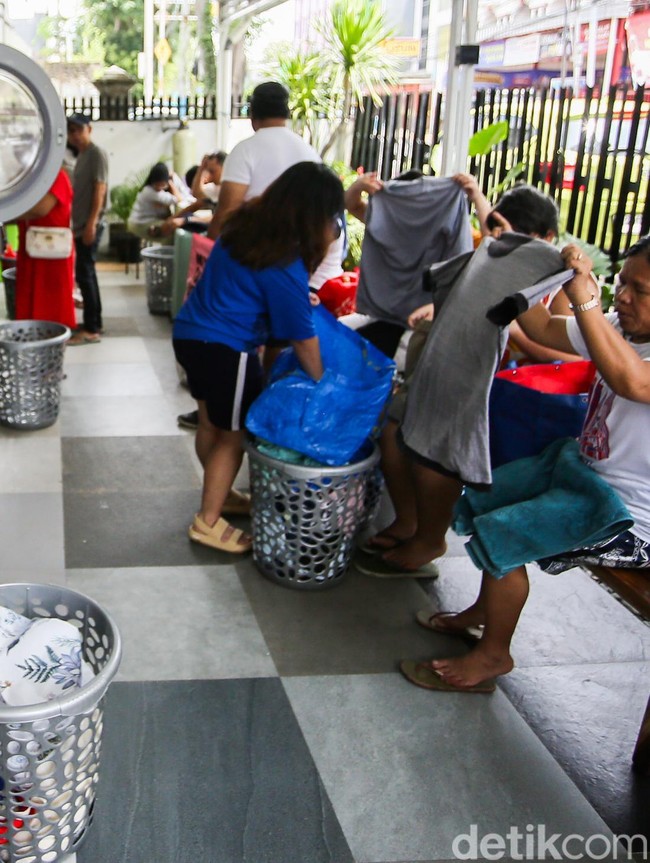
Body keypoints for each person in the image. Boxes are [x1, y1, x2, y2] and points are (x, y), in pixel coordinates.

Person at [401, 236, 650, 693]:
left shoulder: (619, 335)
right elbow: (543, 329)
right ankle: (484, 610)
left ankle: (495, 654)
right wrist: (516, 268)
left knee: (504, 534)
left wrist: (589, 302)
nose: (626, 297)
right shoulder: (620, 325)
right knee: (485, 497)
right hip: (584, 477)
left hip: (631, 521)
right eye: (623, 284)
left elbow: (631, 380)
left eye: (641, 290)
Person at [357, 184, 565, 576]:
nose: (507, 243)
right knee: (394, 432)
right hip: (453, 370)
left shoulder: (558, 284)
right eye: (503, 232)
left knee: (437, 453)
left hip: (503, 393)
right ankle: (409, 520)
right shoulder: (491, 257)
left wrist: (520, 333)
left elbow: (564, 350)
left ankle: (430, 537)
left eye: (520, 235)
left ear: (547, 239)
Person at [172, 162, 344, 553]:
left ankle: (222, 495)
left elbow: (248, 289)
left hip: (190, 335)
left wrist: (298, 299)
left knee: (210, 425)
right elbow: (302, 339)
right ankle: (208, 521)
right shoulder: (284, 258)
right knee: (233, 438)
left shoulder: (245, 227)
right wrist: (324, 384)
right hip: (227, 349)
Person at [177, 81, 336, 431]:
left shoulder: (246, 150)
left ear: (252, 115)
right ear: (288, 111)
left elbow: (227, 217)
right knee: (271, 350)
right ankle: (256, 406)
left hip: (241, 275)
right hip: (278, 278)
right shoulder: (309, 153)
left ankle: (240, 406)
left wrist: (220, 249)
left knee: (219, 413)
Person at [12, 168, 76, 330]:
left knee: (52, 304)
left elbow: (41, 209)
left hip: (53, 252)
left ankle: (51, 342)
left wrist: (7, 213)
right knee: (30, 297)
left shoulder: (56, 175)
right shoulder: (30, 177)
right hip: (32, 249)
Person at [66, 113, 108, 345]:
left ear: (89, 129)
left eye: (78, 130)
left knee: (85, 274)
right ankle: (94, 322)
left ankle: (92, 329)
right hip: (81, 224)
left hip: (90, 225)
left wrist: (91, 223)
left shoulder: (96, 154)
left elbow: (99, 190)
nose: (75, 135)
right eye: (71, 131)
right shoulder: (81, 155)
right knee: (86, 274)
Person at [127, 162, 183, 243]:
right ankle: (166, 254)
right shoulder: (150, 192)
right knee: (170, 231)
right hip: (140, 224)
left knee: (171, 227)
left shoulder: (151, 190)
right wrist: (170, 182)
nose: (159, 188)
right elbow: (179, 199)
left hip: (145, 221)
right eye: (157, 185)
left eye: (162, 185)